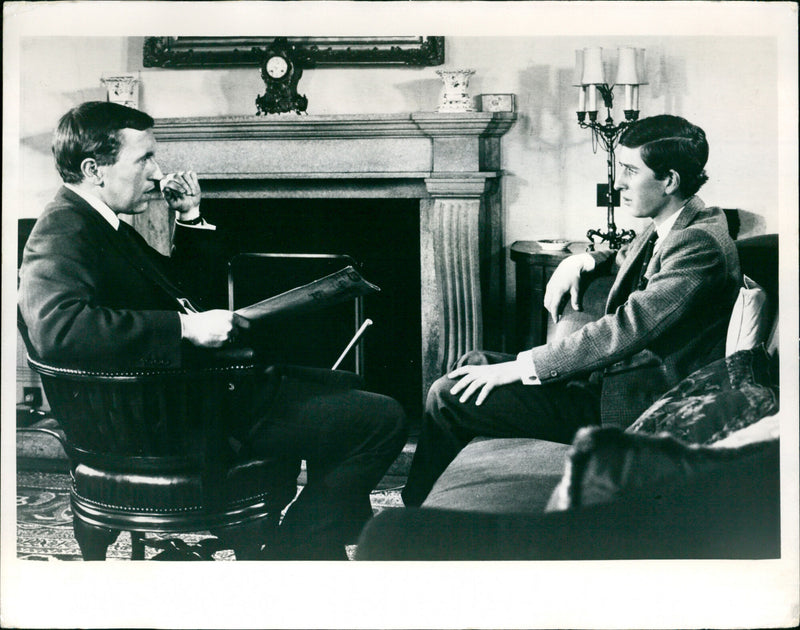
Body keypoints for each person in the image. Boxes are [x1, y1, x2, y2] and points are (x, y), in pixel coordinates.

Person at [18, 101, 408, 559]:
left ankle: (316, 542)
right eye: (144, 159)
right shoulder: (63, 228)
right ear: (94, 168)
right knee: (381, 419)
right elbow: (58, 328)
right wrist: (185, 330)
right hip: (168, 419)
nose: (157, 173)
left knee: (346, 384)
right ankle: (293, 551)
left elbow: (175, 291)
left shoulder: (101, 223)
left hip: (176, 398)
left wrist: (190, 217)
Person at [402, 114, 742, 506]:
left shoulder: (698, 245)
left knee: (450, 395)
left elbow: (628, 327)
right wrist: (581, 261)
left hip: (629, 404)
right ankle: (435, 504)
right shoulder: (678, 222)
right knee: (472, 363)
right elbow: (625, 256)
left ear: (668, 180)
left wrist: (522, 366)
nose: (619, 183)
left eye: (631, 171)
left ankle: (411, 521)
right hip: (610, 382)